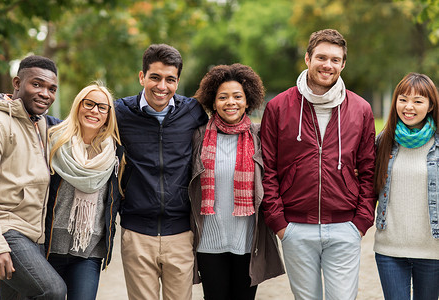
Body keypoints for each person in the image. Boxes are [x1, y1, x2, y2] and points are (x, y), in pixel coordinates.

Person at [260, 29, 377, 300]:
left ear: (343, 64)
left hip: (345, 226)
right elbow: (268, 168)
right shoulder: (278, 107)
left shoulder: (361, 109)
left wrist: (361, 221)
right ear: (307, 58)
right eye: (321, 57)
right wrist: (279, 223)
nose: (328, 65)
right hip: (295, 228)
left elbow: (369, 170)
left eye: (335, 59)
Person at [115, 43, 208, 300]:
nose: (162, 86)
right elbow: (79, 124)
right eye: (155, 77)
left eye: (170, 79)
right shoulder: (120, 112)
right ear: (142, 76)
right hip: (136, 233)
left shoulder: (193, 112)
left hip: (180, 233)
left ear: (178, 81)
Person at [189, 63, 285, 300]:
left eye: (237, 96)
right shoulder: (198, 136)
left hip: (247, 240)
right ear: (213, 102)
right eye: (223, 97)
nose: (230, 102)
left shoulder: (260, 135)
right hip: (208, 241)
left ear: (247, 100)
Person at [0, 55, 67, 299]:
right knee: (53, 291)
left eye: (51, 89)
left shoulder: (42, 125)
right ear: (17, 83)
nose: (45, 93)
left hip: (34, 234)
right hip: (7, 231)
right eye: (37, 84)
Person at [44, 82, 122, 299]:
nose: (94, 110)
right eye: (89, 104)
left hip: (89, 252)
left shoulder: (115, 154)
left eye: (102, 107)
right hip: (49, 247)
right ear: (78, 106)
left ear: (108, 114)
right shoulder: (53, 141)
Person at [373, 73, 439, 300]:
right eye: (403, 99)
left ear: (430, 106)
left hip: (433, 251)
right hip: (389, 249)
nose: (408, 106)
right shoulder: (383, 142)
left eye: (418, 101)